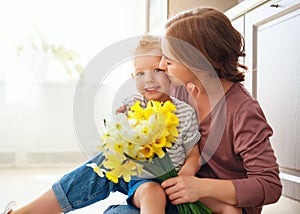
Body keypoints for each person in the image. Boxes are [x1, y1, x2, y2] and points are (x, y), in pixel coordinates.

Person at [3, 7, 282, 214]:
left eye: (168, 59)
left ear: (199, 61)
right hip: (170, 188)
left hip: (210, 203)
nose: (161, 64)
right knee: (108, 163)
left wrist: (202, 187)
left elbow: (270, 186)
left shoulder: (243, 111)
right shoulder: (181, 88)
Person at [4, 35, 201, 214]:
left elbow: (193, 153)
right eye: (140, 73)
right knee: (149, 190)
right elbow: (120, 144)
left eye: (157, 70)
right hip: (141, 182)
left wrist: (186, 174)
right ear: (133, 77)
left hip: (173, 183)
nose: (148, 79)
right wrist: (122, 124)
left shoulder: (184, 111)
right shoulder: (132, 105)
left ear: (170, 73)